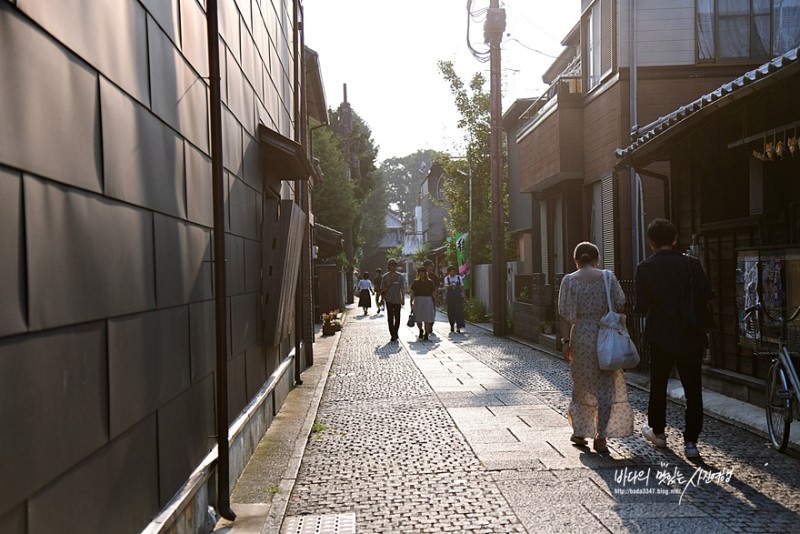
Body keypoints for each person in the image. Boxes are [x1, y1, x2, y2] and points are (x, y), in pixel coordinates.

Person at [635, 218, 713, 459]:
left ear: (650, 242)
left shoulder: (645, 268)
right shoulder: (692, 265)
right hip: (690, 334)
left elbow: (641, 307)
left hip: (660, 336)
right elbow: (706, 296)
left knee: (658, 385)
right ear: (675, 239)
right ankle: (691, 442)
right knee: (693, 389)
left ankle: (658, 432)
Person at [558, 241, 634, 453]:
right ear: (596, 259)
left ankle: (580, 432)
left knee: (582, 384)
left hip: (581, 335)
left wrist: (565, 342)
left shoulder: (569, 281)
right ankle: (601, 437)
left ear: (576, 261)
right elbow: (620, 302)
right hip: (605, 335)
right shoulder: (608, 278)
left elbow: (565, 315)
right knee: (605, 387)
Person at [380, 259, 406, 341]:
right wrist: (382, 297)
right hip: (389, 299)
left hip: (397, 299)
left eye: (394, 265)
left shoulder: (400, 276)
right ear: (389, 266)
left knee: (397, 317)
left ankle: (396, 332)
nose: (393, 267)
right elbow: (382, 290)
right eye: (391, 265)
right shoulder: (385, 277)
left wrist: (403, 298)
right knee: (390, 317)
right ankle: (392, 334)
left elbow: (402, 288)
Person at [410, 267, 436, 340]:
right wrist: (411, 300)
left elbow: (433, 292)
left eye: (422, 272)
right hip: (418, 301)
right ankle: (421, 330)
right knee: (418, 318)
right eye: (419, 272)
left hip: (427, 300)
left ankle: (426, 333)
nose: (421, 274)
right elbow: (412, 292)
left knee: (427, 318)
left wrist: (436, 300)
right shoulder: (416, 282)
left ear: (425, 273)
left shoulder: (430, 282)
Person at [443, 265, 466, 333]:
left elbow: (462, 288)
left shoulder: (459, 278)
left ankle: (459, 326)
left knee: (458, 311)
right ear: (449, 272)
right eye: (451, 271)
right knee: (450, 312)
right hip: (450, 297)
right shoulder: (447, 278)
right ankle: (452, 325)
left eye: (453, 271)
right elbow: (446, 286)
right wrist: (450, 285)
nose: (452, 272)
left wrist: (464, 297)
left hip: (458, 297)